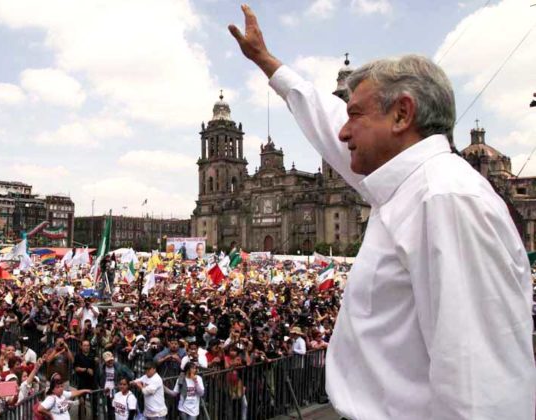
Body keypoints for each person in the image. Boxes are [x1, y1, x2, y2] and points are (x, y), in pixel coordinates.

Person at [229, 4, 536, 419]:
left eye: (355, 113)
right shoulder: (406, 185)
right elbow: (327, 121)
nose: (342, 130)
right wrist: (269, 65)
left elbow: (482, 391)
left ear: (402, 114)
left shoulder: (446, 201)